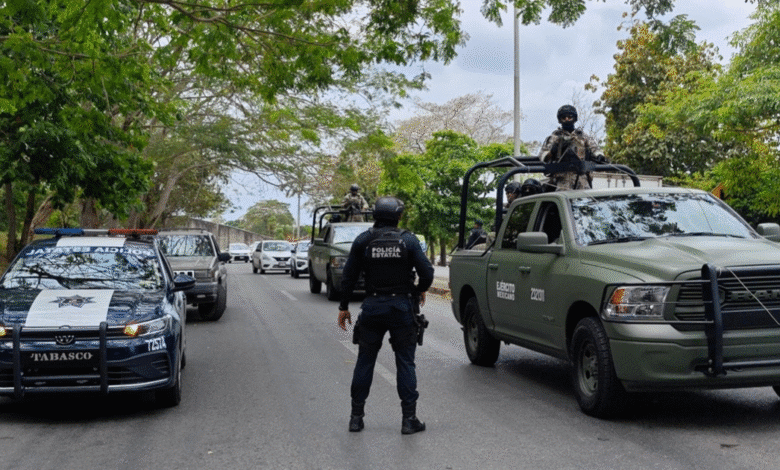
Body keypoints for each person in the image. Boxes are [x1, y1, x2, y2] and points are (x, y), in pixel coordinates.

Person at [337, 196, 434, 435]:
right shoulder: (408, 241)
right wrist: (420, 289)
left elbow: (348, 276)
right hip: (401, 308)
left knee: (365, 361)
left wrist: (343, 307)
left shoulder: (363, 240)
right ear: (399, 216)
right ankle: (409, 419)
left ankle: (356, 418)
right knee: (405, 362)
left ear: (375, 216)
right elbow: (428, 272)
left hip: (372, 307)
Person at [538, 105, 608, 190]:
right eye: (564, 117)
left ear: (574, 118)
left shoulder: (582, 136)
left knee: (586, 201)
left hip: (581, 177)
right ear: (560, 120)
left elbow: (595, 149)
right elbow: (542, 155)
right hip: (561, 178)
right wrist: (552, 152)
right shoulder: (554, 137)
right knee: (562, 201)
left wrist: (599, 155)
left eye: (570, 117)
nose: (567, 119)